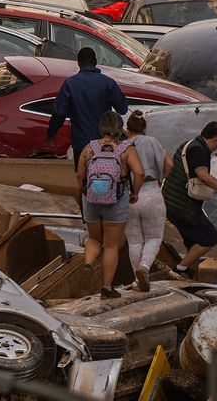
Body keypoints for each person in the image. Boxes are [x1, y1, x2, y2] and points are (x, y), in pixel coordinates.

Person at [77, 111, 144, 299]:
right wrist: (135, 193)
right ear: (119, 126)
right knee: (112, 245)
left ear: (101, 127)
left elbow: (80, 175)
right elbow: (139, 173)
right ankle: (106, 288)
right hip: (116, 199)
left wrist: (85, 192)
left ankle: (88, 262)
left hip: (91, 200)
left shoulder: (89, 148)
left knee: (94, 238)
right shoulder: (126, 149)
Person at [161, 122, 217, 277]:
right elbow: (203, 176)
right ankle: (179, 269)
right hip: (183, 206)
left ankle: (188, 273)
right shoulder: (199, 151)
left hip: (171, 203)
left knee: (192, 242)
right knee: (210, 238)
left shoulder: (188, 144)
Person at [47, 47, 129, 165]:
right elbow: (123, 108)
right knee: (106, 175)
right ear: (96, 62)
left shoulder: (70, 84)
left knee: (83, 177)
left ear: (78, 63)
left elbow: (59, 112)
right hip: (105, 142)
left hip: (81, 142)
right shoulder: (108, 83)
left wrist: (52, 132)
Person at [124, 110, 173, 292]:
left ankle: (138, 280)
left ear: (127, 129)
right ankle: (144, 268)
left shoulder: (124, 145)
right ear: (145, 129)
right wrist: (162, 177)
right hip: (151, 190)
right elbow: (170, 164)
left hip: (130, 195)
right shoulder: (153, 141)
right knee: (153, 237)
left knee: (135, 241)